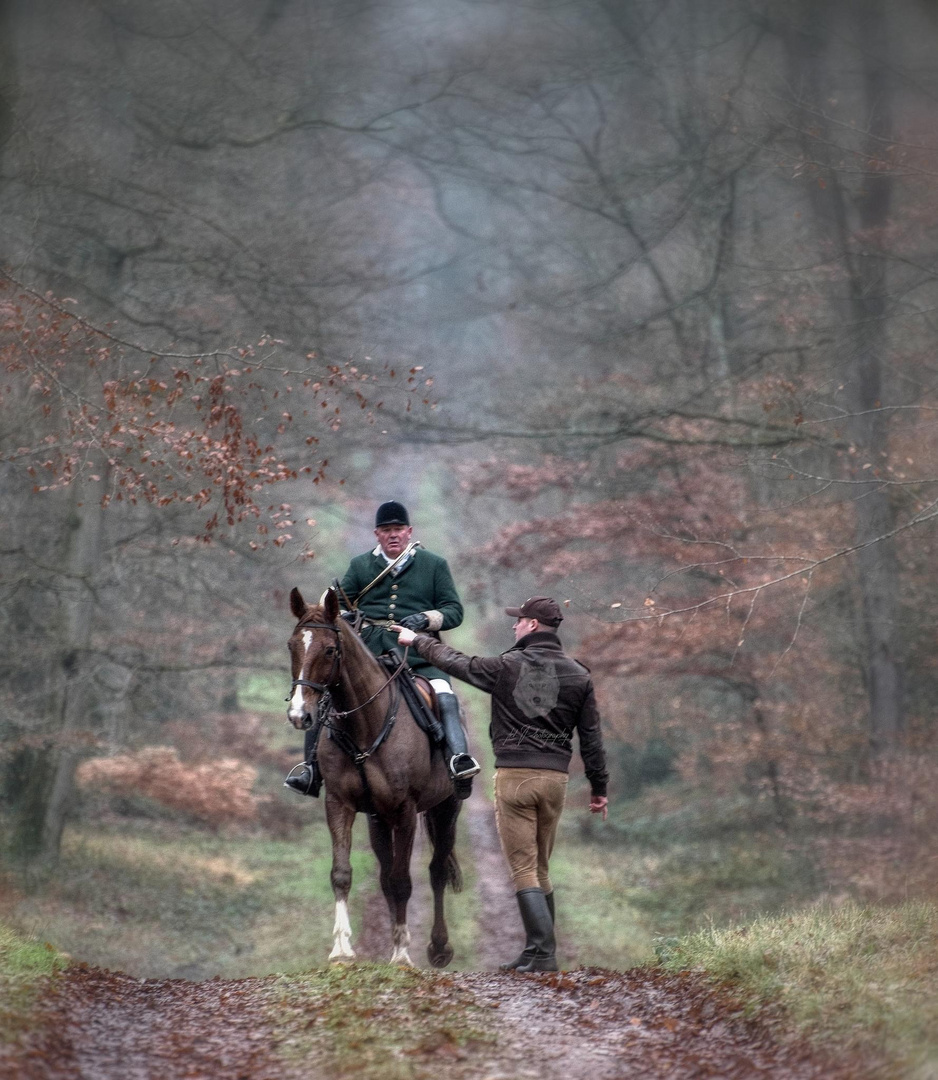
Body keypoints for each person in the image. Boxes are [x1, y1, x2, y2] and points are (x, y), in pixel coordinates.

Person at [393, 595, 608, 973]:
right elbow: (591, 738)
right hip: (556, 780)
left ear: (533, 626)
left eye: (519, 620)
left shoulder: (507, 666)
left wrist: (418, 640)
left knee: (523, 868)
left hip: (516, 778)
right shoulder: (580, 674)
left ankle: (544, 953)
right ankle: (535, 950)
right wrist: (599, 788)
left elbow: (458, 664)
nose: (514, 625)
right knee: (540, 866)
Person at [285, 500, 480, 799]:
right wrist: (341, 616)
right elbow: (333, 606)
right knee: (324, 701)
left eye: (398, 529)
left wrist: (426, 619)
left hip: (418, 655)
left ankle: (458, 761)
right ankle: (310, 770)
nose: (393, 535)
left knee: (444, 695)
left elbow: (454, 611)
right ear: (376, 534)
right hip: (370, 655)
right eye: (386, 530)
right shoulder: (361, 566)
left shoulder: (434, 565)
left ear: (409, 531)